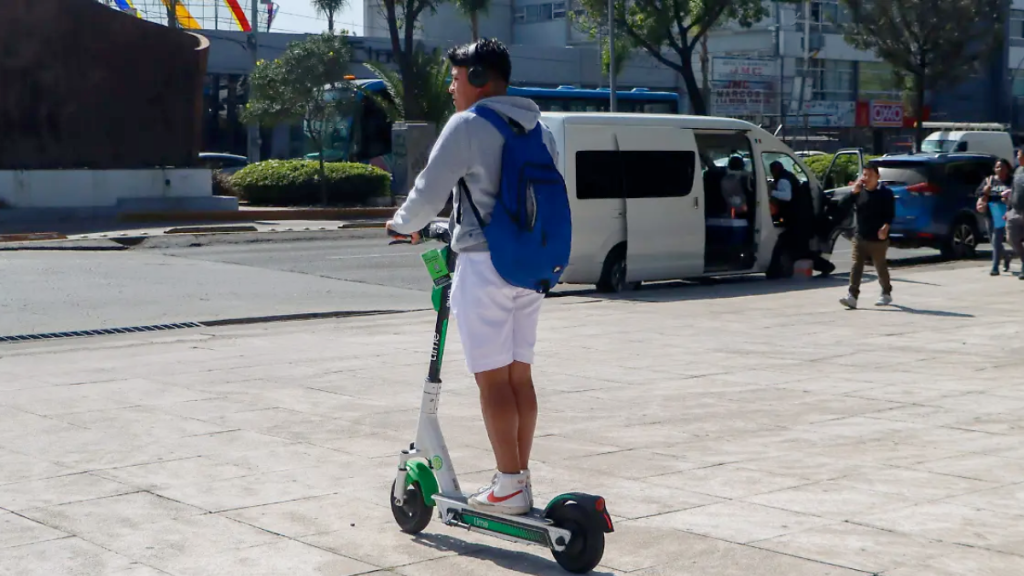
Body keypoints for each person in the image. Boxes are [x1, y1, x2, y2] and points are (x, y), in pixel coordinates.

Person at [385, 38, 559, 515]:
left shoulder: (468, 125)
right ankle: (517, 479)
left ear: (479, 80)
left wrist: (400, 225)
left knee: (492, 382)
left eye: (456, 79)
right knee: (519, 377)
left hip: (485, 267)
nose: (451, 88)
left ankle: (508, 483)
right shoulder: (539, 129)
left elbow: (428, 192)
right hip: (530, 267)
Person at [838, 163, 895, 309]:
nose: (866, 178)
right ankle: (852, 296)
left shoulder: (885, 193)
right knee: (856, 266)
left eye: (870, 175)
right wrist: (853, 193)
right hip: (860, 236)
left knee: (880, 266)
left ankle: (886, 292)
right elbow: (841, 206)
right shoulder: (859, 191)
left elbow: (890, 213)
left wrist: (886, 227)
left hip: (878, 238)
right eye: (864, 174)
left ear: (877, 176)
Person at [767, 161, 835, 277]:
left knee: (797, 249)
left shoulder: (783, 180)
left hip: (798, 221)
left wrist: (771, 192)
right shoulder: (789, 177)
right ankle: (775, 271)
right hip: (801, 220)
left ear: (774, 171)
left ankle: (826, 266)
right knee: (798, 249)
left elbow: (787, 196)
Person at [976, 158, 1014, 276]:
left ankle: (995, 267)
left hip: (1007, 213)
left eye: (1002, 167)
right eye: (997, 167)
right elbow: (978, 193)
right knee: (994, 241)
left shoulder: (1012, 181)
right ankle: (1006, 256)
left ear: (1007, 169)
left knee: (999, 239)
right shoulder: (990, 181)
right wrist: (985, 192)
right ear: (994, 169)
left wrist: (1007, 199)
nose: (1000, 169)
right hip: (991, 214)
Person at [1008, 158, 1024, 280]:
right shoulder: (1018, 170)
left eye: (1019, 154)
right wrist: (1008, 209)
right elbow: (1013, 189)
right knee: (1011, 238)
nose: (1017, 156)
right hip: (1015, 210)